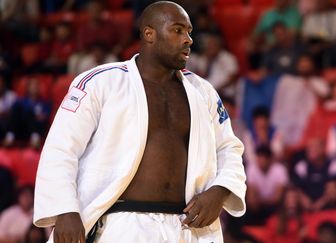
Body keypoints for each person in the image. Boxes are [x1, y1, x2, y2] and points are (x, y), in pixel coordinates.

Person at [33, 2, 246, 243]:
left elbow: (230, 148)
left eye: (189, 32)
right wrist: (65, 210)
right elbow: (61, 148)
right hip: (121, 225)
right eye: (178, 30)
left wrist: (220, 191)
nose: (188, 40)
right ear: (149, 34)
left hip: (187, 228)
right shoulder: (101, 83)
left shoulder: (203, 91)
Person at [271, 54, 329, 146]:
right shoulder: (287, 81)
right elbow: (279, 103)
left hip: (311, 125)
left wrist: (310, 85)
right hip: (288, 123)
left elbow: (325, 100)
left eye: (307, 65)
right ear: (297, 66)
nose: (305, 67)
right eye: (302, 65)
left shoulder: (319, 82)